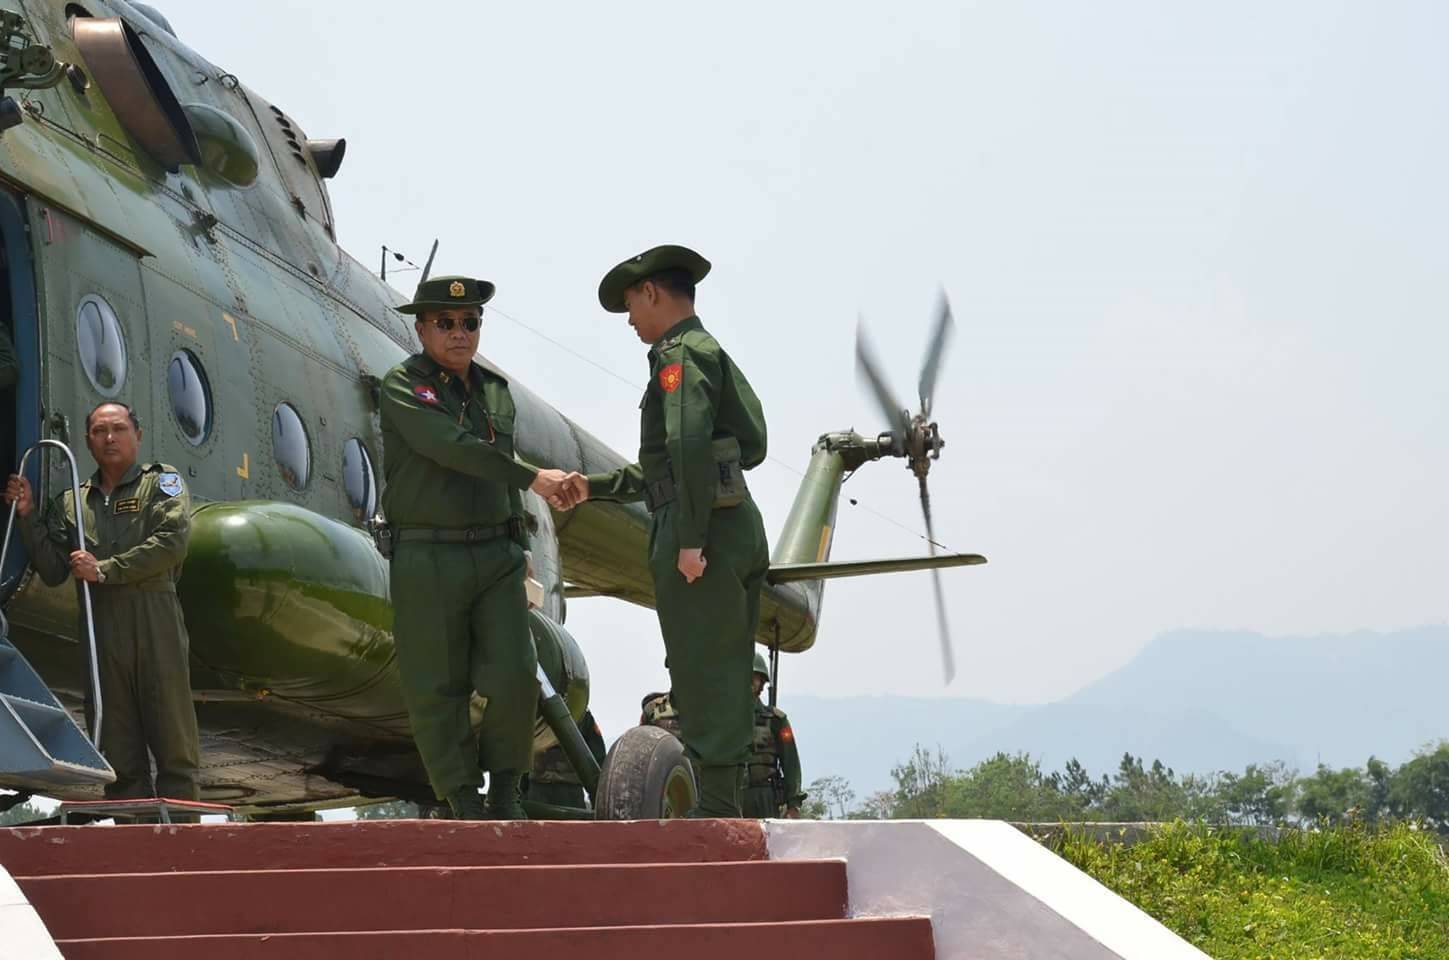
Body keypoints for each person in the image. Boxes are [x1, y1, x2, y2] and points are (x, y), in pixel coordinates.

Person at [554, 245, 769, 818]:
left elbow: (686, 444)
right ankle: (720, 800)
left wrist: (691, 539)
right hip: (730, 522)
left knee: (704, 669)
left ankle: (717, 808)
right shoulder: (707, 351)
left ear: (652, 292)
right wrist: (593, 487)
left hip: (705, 530)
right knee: (721, 662)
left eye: (630, 305)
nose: (630, 321)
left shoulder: (678, 357)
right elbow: (743, 444)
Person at [380, 275, 571, 820]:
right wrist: (536, 478)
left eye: (470, 322)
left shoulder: (495, 390)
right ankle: (462, 799)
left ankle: (508, 791)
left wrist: (520, 532)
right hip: (426, 556)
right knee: (437, 687)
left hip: (496, 555)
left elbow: (494, 473)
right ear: (421, 328)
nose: (459, 333)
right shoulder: (403, 386)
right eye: (445, 323)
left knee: (515, 674)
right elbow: (451, 447)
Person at [3, 402, 200, 800]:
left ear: (137, 436)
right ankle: (133, 847)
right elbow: (56, 570)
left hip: (154, 618)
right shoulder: (73, 501)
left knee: (173, 741)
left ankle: (183, 846)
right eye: (99, 431)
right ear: (87, 441)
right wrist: (27, 515)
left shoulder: (161, 484)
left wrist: (106, 569)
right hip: (100, 626)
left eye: (119, 429)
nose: (110, 438)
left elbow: (172, 543)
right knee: (116, 745)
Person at [743, 653, 805, 819]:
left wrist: (793, 804)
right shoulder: (720, 718)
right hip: (729, 796)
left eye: (757, 678)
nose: (754, 683)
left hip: (764, 796)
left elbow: (790, 763)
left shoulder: (777, 720)